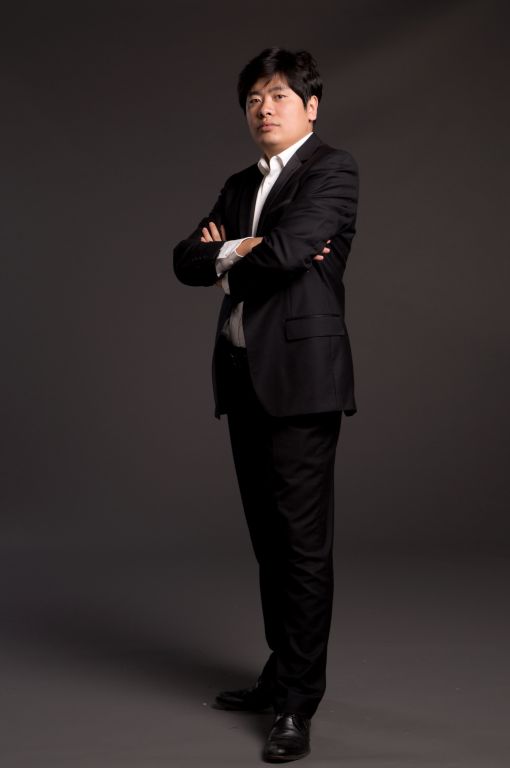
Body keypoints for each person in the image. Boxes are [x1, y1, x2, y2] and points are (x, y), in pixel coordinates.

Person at [173, 47, 359, 763]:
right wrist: (238, 251)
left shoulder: (333, 170)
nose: (264, 107)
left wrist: (233, 252)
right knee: (268, 543)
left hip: (302, 382)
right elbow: (184, 260)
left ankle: (298, 703)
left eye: (278, 95)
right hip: (242, 377)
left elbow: (285, 253)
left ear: (310, 106)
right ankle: (279, 674)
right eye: (253, 97)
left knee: (303, 548)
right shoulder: (237, 183)